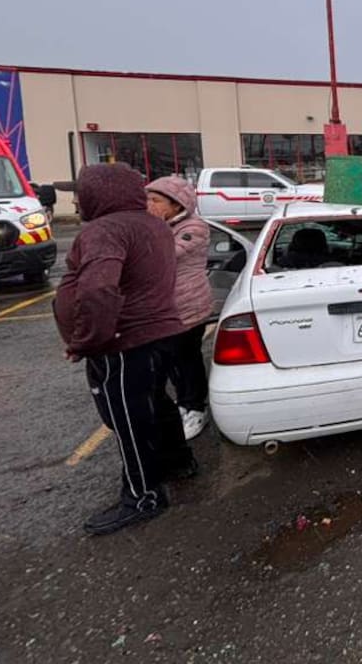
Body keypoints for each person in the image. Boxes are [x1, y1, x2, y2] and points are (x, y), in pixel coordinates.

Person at [54, 164, 193, 536]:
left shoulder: (105, 230)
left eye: (80, 193)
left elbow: (98, 290)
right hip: (161, 333)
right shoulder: (153, 225)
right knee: (157, 404)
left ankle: (143, 496)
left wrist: (87, 340)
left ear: (100, 193)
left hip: (123, 342)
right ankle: (179, 462)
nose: (76, 201)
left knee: (128, 419)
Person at [145, 175, 213, 440]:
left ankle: (195, 406)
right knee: (172, 360)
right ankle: (184, 402)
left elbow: (161, 256)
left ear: (176, 204)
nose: (150, 205)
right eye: (148, 199)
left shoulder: (194, 227)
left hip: (188, 307)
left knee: (187, 359)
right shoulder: (160, 226)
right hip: (165, 310)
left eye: (156, 200)